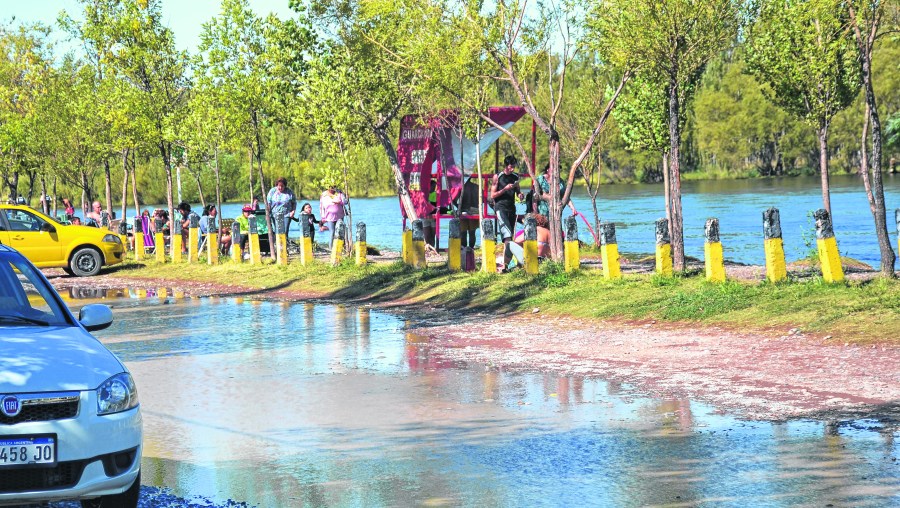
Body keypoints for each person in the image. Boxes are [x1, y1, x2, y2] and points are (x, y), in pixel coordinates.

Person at [491, 155, 524, 267]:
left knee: (511, 236)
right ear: (506, 166)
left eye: (514, 167)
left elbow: (518, 190)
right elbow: (492, 195)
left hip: (511, 208)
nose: (513, 169)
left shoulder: (515, 176)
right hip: (501, 208)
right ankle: (506, 263)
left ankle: (507, 262)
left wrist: (520, 195)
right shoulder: (498, 177)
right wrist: (505, 189)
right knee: (507, 235)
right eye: (511, 167)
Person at [454, 175, 480, 249]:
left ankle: (465, 248)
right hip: (474, 210)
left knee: (463, 232)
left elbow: (453, 199)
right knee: (472, 232)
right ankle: (471, 248)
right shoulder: (476, 187)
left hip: (463, 210)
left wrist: (458, 206)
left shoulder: (459, 188)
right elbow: (482, 199)